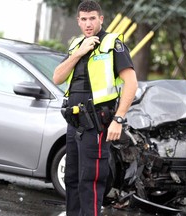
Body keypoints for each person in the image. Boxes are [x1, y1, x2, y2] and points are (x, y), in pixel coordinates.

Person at [53, 1, 138, 215]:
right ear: (78, 21)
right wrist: (78, 53)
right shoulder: (76, 45)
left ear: (101, 19)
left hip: (97, 124)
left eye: (92, 18)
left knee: (90, 180)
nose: (88, 23)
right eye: (84, 19)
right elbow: (57, 77)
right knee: (71, 178)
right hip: (74, 124)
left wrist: (118, 119)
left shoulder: (112, 44)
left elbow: (132, 83)